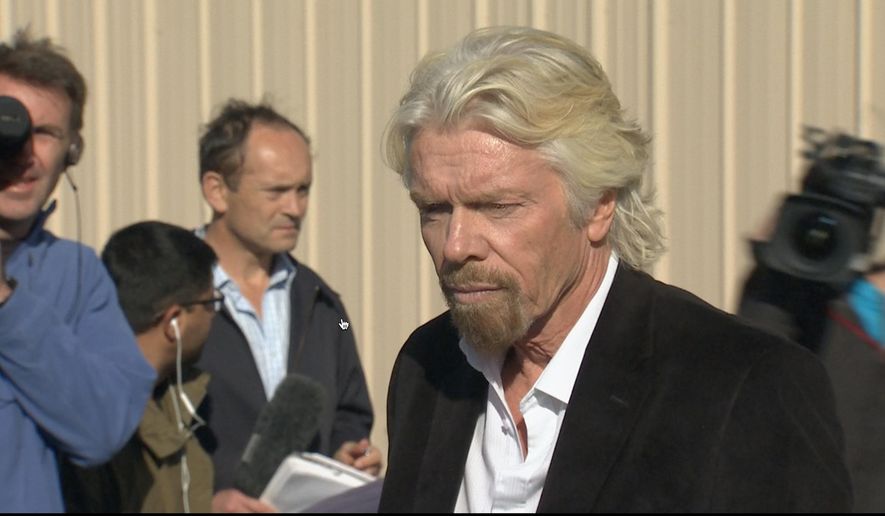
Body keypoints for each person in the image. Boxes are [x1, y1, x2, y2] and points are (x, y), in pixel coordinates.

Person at [378, 26, 852, 512]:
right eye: (433, 210)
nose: (456, 245)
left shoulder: (745, 387)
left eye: (497, 207)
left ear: (599, 204)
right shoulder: (428, 368)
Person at [195, 99, 379, 512]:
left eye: (303, 190)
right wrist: (201, 503)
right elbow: (129, 439)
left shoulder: (323, 302)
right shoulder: (166, 296)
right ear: (217, 190)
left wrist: (347, 453)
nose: (295, 209)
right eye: (276, 191)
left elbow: (351, 409)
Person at [0, 29, 155, 512]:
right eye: (7, 124)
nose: (24, 151)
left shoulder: (78, 274)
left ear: (72, 151)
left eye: (46, 133)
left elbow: (103, 428)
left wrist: (7, 302)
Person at [62, 221, 220, 512]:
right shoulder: (97, 424)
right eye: (210, 303)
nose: (214, 316)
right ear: (175, 321)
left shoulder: (175, 399)